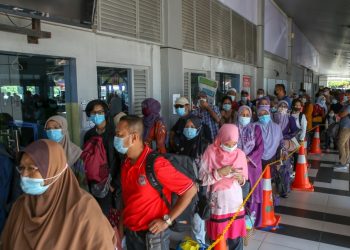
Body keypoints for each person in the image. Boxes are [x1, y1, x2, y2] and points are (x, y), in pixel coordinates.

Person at [0, 139, 116, 249]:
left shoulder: (83, 210)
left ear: (53, 170)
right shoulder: (21, 206)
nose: (24, 175)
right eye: (22, 168)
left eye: (31, 168)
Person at [115, 115, 197, 250]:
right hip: (130, 235)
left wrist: (167, 221)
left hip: (152, 237)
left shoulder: (156, 164)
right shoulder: (126, 164)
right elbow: (127, 200)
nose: (116, 139)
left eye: (119, 135)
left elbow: (190, 189)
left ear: (134, 137)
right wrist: (121, 228)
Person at [199, 124, 248, 249]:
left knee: (236, 238)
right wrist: (219, 173)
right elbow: (202, 179)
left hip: (235, 203)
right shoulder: (210, 152)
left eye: (234, 144)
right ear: (220, 139)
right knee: (218, 238)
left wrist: (241, 179)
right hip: (218, 205)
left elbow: (244, 179)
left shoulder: (241, 154)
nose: (231, 148)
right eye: (227, 144)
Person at [172, 115, 210, 243]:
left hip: (198, 189)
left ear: (199, 128)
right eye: (187, 126)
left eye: (192, 127)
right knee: (184, 216)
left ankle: (200, 243)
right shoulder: (178, 143)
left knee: (197, 221)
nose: (189, 129)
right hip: (181, 187)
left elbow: (205, 170)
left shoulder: (204, 146)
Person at [84, 99, 121, 216]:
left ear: (105, 113)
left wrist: (115, 184)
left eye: (100, 112)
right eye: (93, 112)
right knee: (94, 212)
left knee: (107, 214)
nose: (97, 115)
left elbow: (121, 160)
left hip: (110, 182)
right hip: (93, 182)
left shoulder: (115, 133)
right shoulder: (88, 135)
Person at [237, 106, 264, 227]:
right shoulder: (233, 128)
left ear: (251, 116)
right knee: (237, 192)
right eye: (242, 114)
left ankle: (251, 221)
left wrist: (248, 158)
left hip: (252, 166)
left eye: (247, 115)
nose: (244, 117)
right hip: (236, 166)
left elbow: (260, 147)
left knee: (253, 192)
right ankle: (237, 220)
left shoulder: (255, 128)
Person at [45, 115, 88, 190]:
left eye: (56, 128)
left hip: (71, 192)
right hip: (50, 193)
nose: (51, 131)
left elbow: (83, 179)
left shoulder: (76, 152)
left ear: (64, 129)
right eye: (48, 129)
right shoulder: (44, 151)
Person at [335, 104, 350, 170]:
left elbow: (341, 114)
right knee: (346, 144)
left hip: (346, 127)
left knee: (340, 143)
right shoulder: (347, 105)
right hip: (345, 126)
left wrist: (341, 113)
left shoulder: (349, 106)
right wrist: (341, 113)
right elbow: (340, 112)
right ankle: (346, 161)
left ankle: (343, 163)